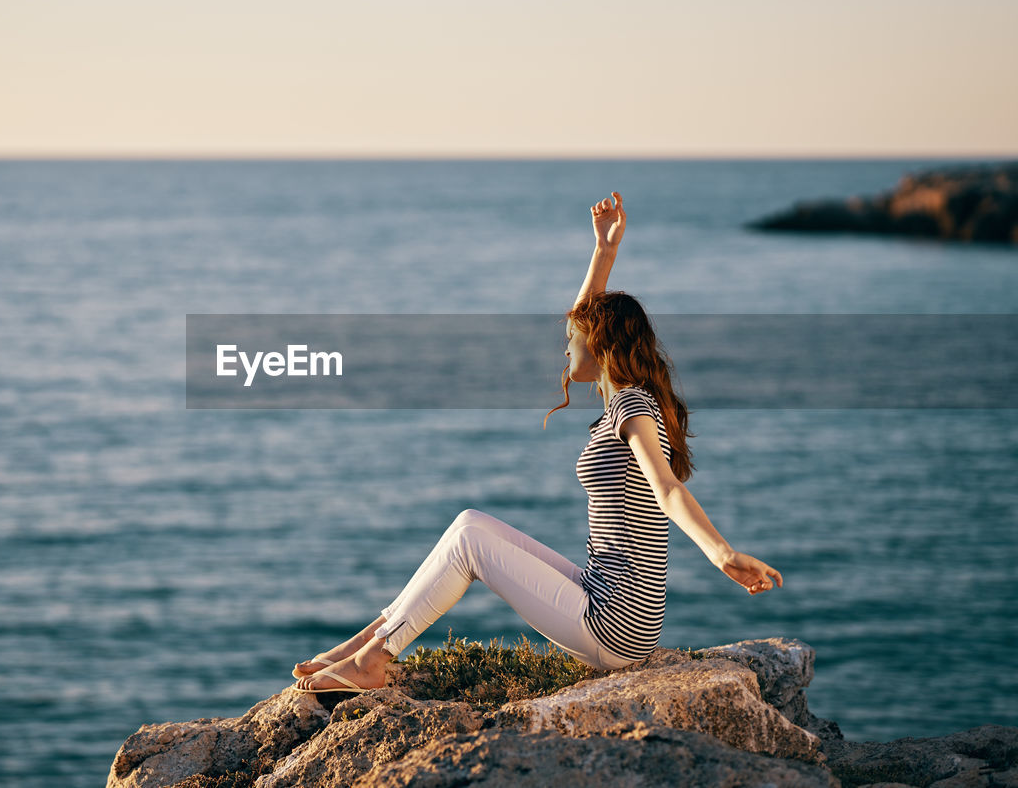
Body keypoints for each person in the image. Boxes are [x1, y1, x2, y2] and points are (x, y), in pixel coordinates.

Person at [292, 191, 782, 694]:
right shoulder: (625, 400)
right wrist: (604, 252)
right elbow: (583, 316)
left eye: (576, 337)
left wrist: (722, 554)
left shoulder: (633, 408)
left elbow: (668, 489)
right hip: (602, 595)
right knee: (470, 523)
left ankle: (374, 661)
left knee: (469, 545)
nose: (566, 343)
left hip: (614, 626)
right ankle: (359, 648)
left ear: (601, 347)